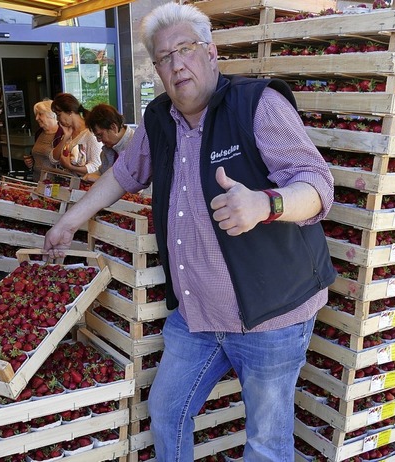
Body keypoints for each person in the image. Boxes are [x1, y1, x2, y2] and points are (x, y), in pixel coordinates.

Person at [44, 3, 336, 460]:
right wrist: (69, 220)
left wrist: (266, 203)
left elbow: (317, 185)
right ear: (156, 68)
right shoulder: (159, 118)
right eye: (164, 57)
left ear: (211, 52)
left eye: (186, 49)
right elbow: (124, 175)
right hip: (196, 316)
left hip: (272, 316)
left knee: (265, 442)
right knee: (166, 411)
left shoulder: (257, 104)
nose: (177, 64)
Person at [49, 93, 102, 177]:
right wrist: (65, 138)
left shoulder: (90, 134)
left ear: (70, 112)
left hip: (85, 186)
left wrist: (70, 167)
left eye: (59, 115)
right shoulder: (68, 131)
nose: (58, 119)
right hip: (69, 184)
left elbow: (96, 166)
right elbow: (53, 159)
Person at [83, 103, 135, 182]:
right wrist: (90, 176)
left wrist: (98, 179)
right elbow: (102, 171)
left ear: (113, 128)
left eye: (100, 135)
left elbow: (134, 185)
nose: (98, 140)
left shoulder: (136, 146)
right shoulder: (109, 148)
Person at [23, 99, 64, 182]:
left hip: (54, 184)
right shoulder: (39, 133)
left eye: (40, 114)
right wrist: (30, 161)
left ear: (51, 115)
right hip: (37, 180)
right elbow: (40, 154)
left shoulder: (62, 134)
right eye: (36, 114)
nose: (36, 118)